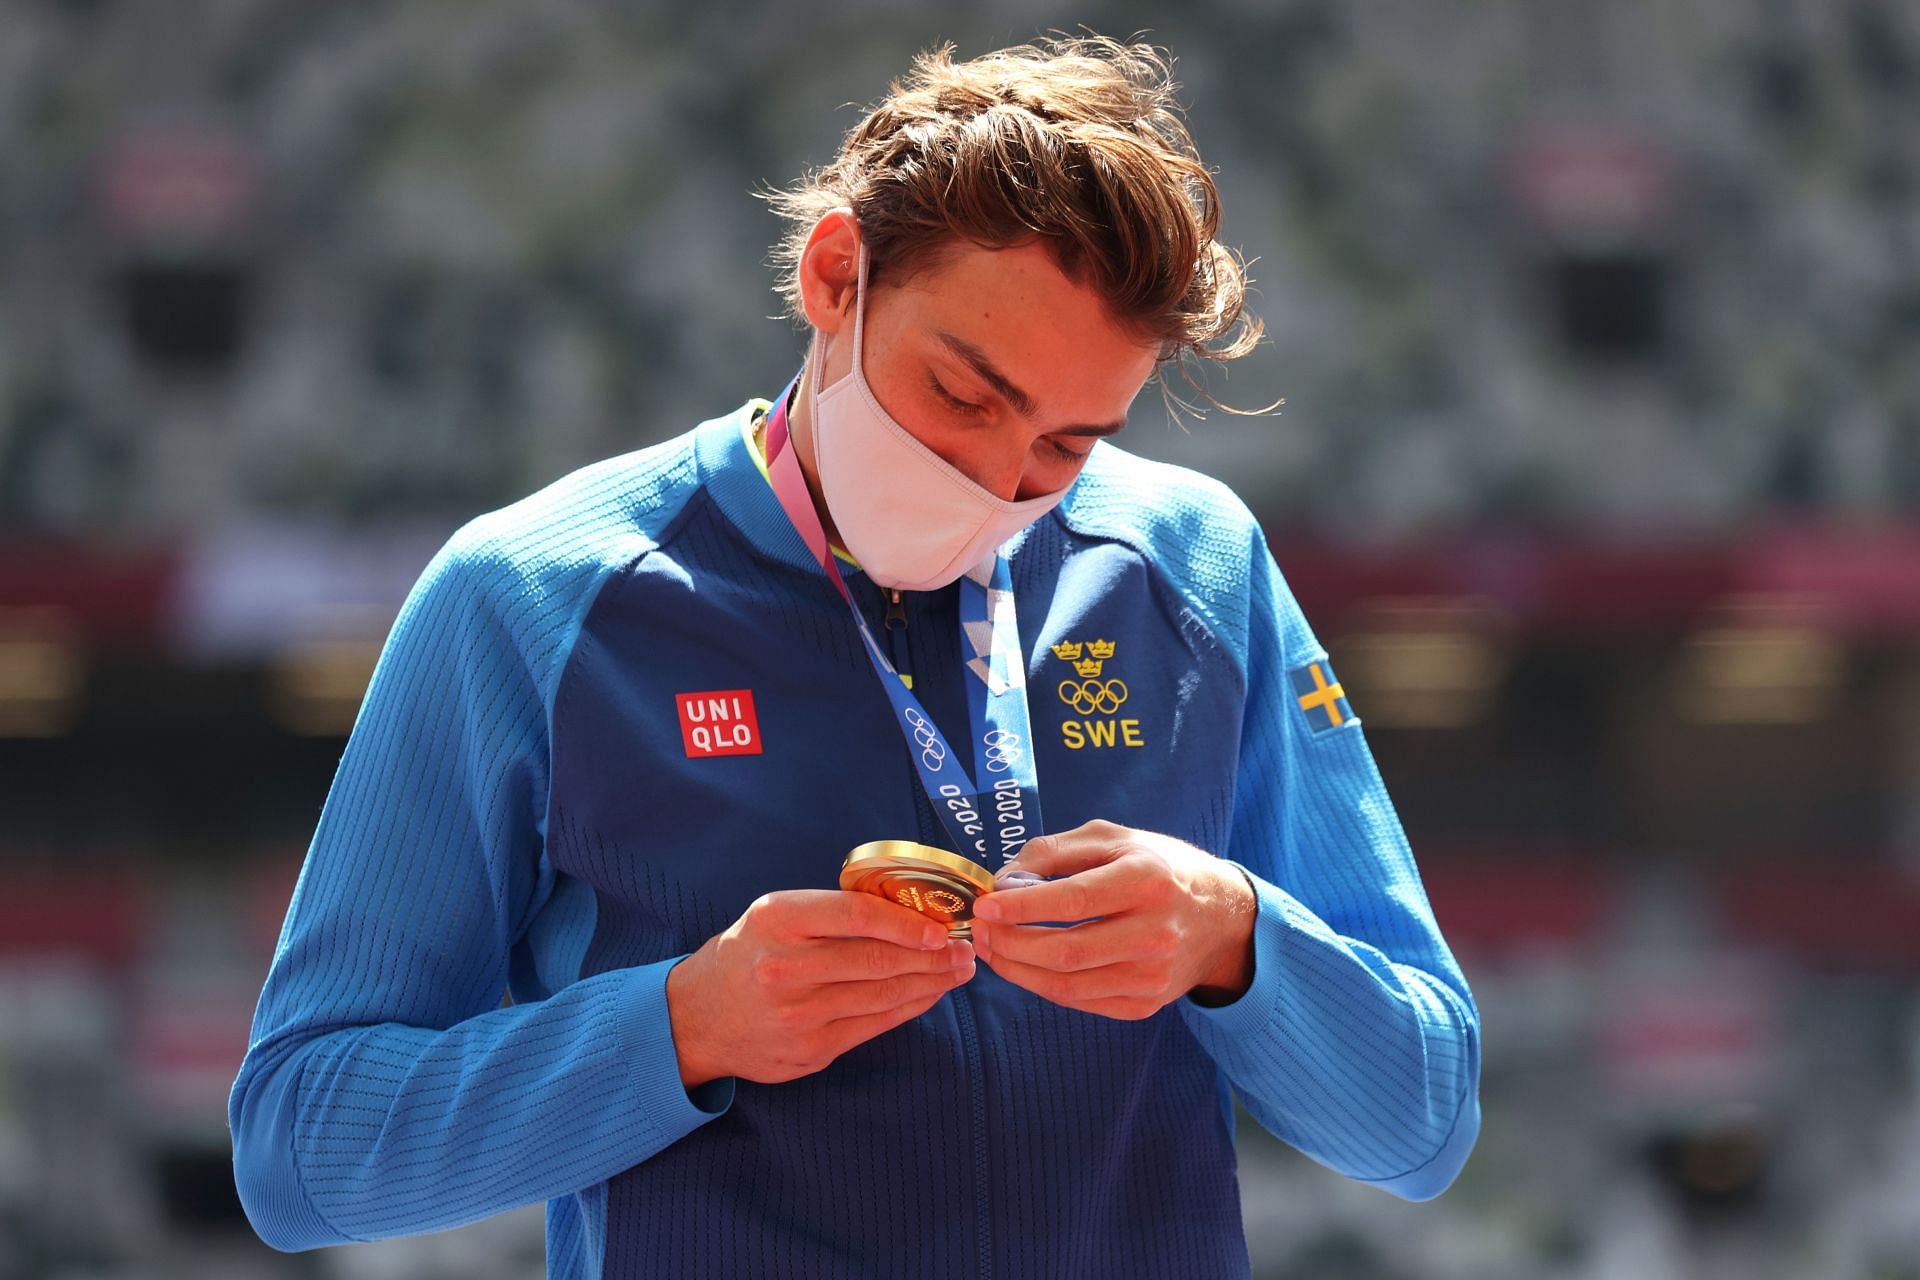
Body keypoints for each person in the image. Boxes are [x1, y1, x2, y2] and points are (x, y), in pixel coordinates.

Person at [228, 34, 1480, 1279]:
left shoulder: (1193, 569)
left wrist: (1234, 936)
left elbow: (1424, 1118)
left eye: (1069, 445)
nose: (998, 479)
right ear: (838, 277)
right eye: (963, 393)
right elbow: (296, 1145)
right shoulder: (533, 598)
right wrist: (681, 1027)